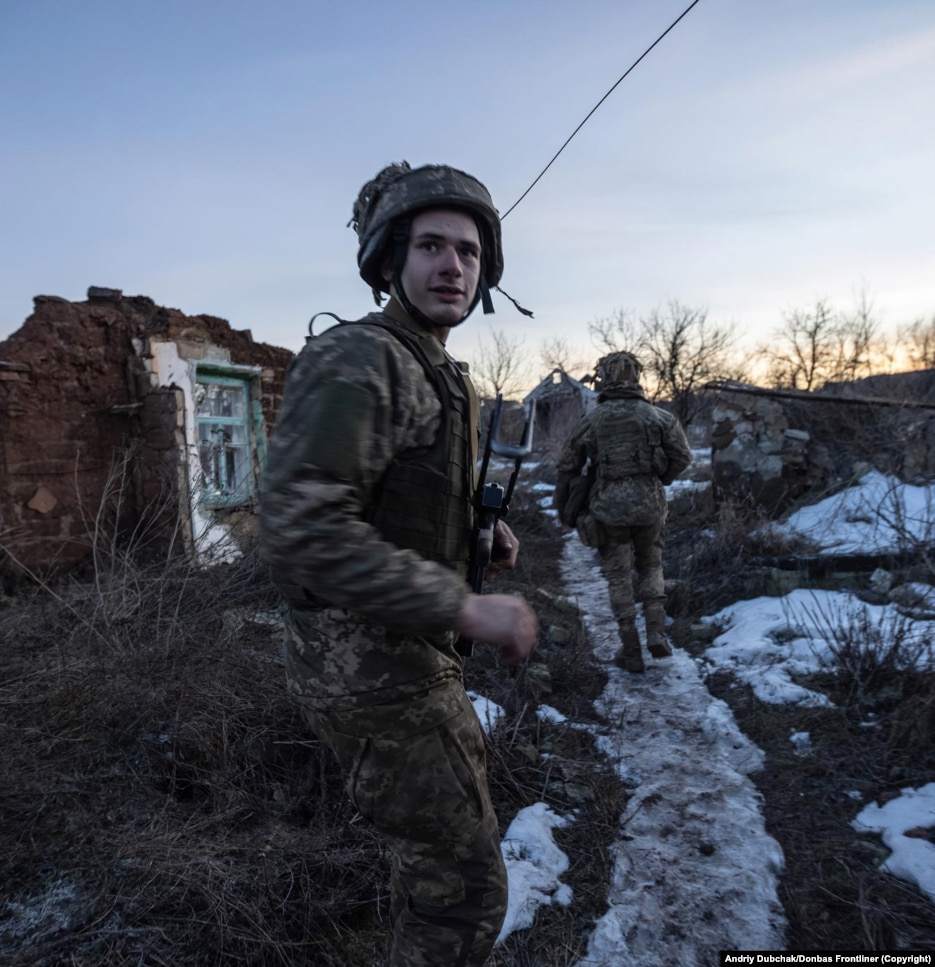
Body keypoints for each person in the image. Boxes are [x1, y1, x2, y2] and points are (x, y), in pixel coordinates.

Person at [260, 161, 539, 966]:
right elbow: (305, 526)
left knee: (431, 875)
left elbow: (388, 499)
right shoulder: (363, 357)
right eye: (430, 246)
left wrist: (476, 540)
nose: (453, 265)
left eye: (468, 251)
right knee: (465, 897)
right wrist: (464, 606)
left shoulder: (433, 366)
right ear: (389, 260)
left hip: (401, 664)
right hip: (380, 676)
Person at [553, 351, 691, 673]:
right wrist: (663, 478)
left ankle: (631, 650)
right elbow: (683, 456)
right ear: (637, 377)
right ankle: (657, 633)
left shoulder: (592, 420)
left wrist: (564, 510)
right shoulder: (659, 417)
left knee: (618, 575)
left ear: (603, 376)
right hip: (650, 507)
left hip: (607, 508)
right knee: (651, 566)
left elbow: (566, 468)